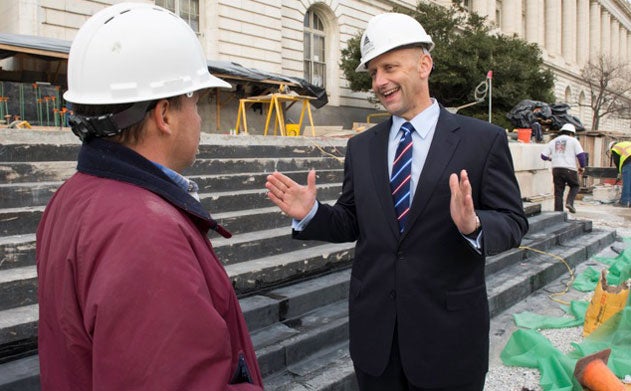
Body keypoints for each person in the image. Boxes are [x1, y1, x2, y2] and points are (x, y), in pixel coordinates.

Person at [265, 12, 528, 391]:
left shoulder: (481, 141)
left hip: (449, 341)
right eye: (373, 72)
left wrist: (474, 225)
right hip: (376, 342)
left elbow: (513, 221)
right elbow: (353, 220)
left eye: (389, 67)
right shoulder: (362, 147)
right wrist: (313, 214)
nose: (379, 82)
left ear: (424, 65)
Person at [36, 3, 263, 390]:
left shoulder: (74, 196)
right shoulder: (144, 230)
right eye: (195, 102)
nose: (199, 118)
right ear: (165, 115)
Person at [540, 123, 587, 213]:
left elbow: (543, 156)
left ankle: (558, 214)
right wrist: (582, 167)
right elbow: (581, 155)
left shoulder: (553, 141)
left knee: (558, 193)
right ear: (572, 133)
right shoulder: (573, 141)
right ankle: (569, 202)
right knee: (575, 186)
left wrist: (550, 159)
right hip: (569, 168)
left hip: (556, 169)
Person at [609, 140, 631, 207]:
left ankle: (624, 202)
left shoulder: (615, 148)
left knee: (627, 183)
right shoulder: (625, 144)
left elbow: (617, 161)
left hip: (628, 162)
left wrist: (619, 172)